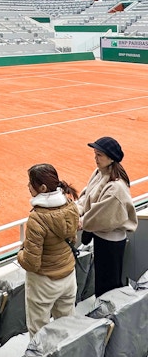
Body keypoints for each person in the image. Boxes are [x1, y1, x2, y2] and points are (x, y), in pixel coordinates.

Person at [17, 163, 79, 337]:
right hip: (68, 276)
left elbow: (31, 262)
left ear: (42, 188)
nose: (28, 187)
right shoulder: (70, 205)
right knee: (66, 327)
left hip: (44, 282)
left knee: (39, 333)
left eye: (31, 183)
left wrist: (20, 253)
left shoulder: (37, 218)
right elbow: (73, 238)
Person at [76, 136, 138, 297]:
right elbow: (87, 195)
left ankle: (109, 318)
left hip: (111, 243)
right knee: (102, 279)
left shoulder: (116, 187)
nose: (95, 158)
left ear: (111, 158)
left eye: (99, 155)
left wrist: (82, 221)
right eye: (95, 154)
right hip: (101, 238)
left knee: (108, 284)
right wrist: (77, 209)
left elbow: (101, 215)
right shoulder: (99, 172)